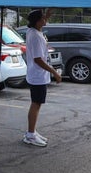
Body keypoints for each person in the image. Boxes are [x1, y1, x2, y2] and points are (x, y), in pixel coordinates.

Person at [22, 9, 62, 147]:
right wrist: (54, 72)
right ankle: (30, 135)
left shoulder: (32, 31)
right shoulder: (36, 36)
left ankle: (32, 131)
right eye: (43, 18)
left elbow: (40, 22)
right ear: (38, 21)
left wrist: (47, 16)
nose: (45, 20)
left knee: (36, 103)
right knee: (36, 103)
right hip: (37, 76)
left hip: (36, 75)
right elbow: (38, 59)